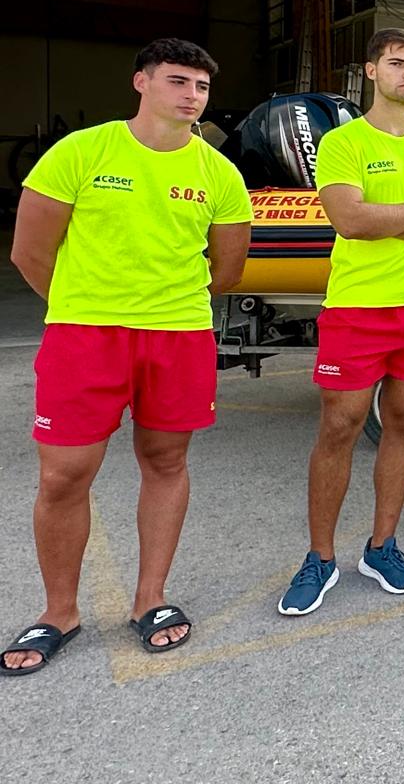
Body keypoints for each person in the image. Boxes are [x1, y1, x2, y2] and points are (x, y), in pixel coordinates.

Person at [2, 40, 251, 676]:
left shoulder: (218, 173)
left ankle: (151, 598)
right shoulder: (82, 152)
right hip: (86, 335)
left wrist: (164, 304)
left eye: (200, 86)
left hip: (178, 336)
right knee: (63, 475)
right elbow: (30, 252)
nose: (191, 96)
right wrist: (89, 303)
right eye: (177, 81)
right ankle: (60, 611)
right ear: (141, 82)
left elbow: (225, 269)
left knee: (166, 461)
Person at [278, 28, 404, 617]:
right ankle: (320, 557)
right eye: (397, 63)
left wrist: (388, 217)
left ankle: (381, 545)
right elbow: (350, 220)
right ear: (371, 71)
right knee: (339, 427)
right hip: (358, 308)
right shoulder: (344, 143)